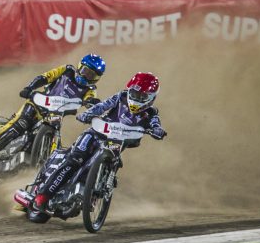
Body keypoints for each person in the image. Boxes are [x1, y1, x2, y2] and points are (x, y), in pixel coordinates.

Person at [30, 72, 166, 213]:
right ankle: (43, 196)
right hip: (94, 134)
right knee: (75, 159)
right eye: (134, 93)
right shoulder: (120, 97)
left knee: (114, 163)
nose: (136, 98)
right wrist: (88, 114)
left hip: (115, 145)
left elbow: (155, 124)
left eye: (141, 97)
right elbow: (102, 106)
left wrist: (157, 131)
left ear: (151, 98)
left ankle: (93, 193)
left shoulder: (151, 113)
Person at [0, 54, 106, 171]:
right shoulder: (67, 70)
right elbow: (45, 77)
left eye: (91, 75)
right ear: (79, 66)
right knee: (20, 124)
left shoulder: (91, 89)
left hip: (55, 116)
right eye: (85, 71)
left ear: (97, 79)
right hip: (36, 106)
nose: (86, 77)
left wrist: (92, 103)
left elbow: (89, 99)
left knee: (58, 148)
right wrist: (30, 87)